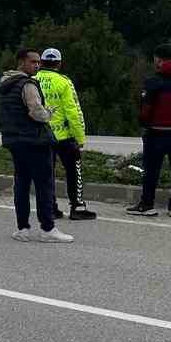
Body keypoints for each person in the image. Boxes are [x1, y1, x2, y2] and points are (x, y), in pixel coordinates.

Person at [0, 48, 73, 243]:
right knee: (44, 185)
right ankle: (48, 228)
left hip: (15, 141)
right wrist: (48, 114)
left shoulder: (6, 83)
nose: (37, 65)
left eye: (39, 62)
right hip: (35, 140)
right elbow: (35, 112)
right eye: (33, 62)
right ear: (21, 62)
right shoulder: (28, 84)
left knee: (21, 184)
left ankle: (22, 229)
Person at [127, 44, 171, 217]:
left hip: (157, 131)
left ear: (157, 59)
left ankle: (147, 205)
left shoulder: (154, 82)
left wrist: (144, 123)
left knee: (151, 169)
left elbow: (146, 108)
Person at [36, 48, 96, 221]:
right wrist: (80, 137)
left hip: (41, 135)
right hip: (64, 136)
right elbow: (73, 112)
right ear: (59, 63)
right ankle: (77, 206)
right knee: (74, 171)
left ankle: (50, 208)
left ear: (41, 62)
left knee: (46, 173)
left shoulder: (32, 79)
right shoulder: (64, 82)